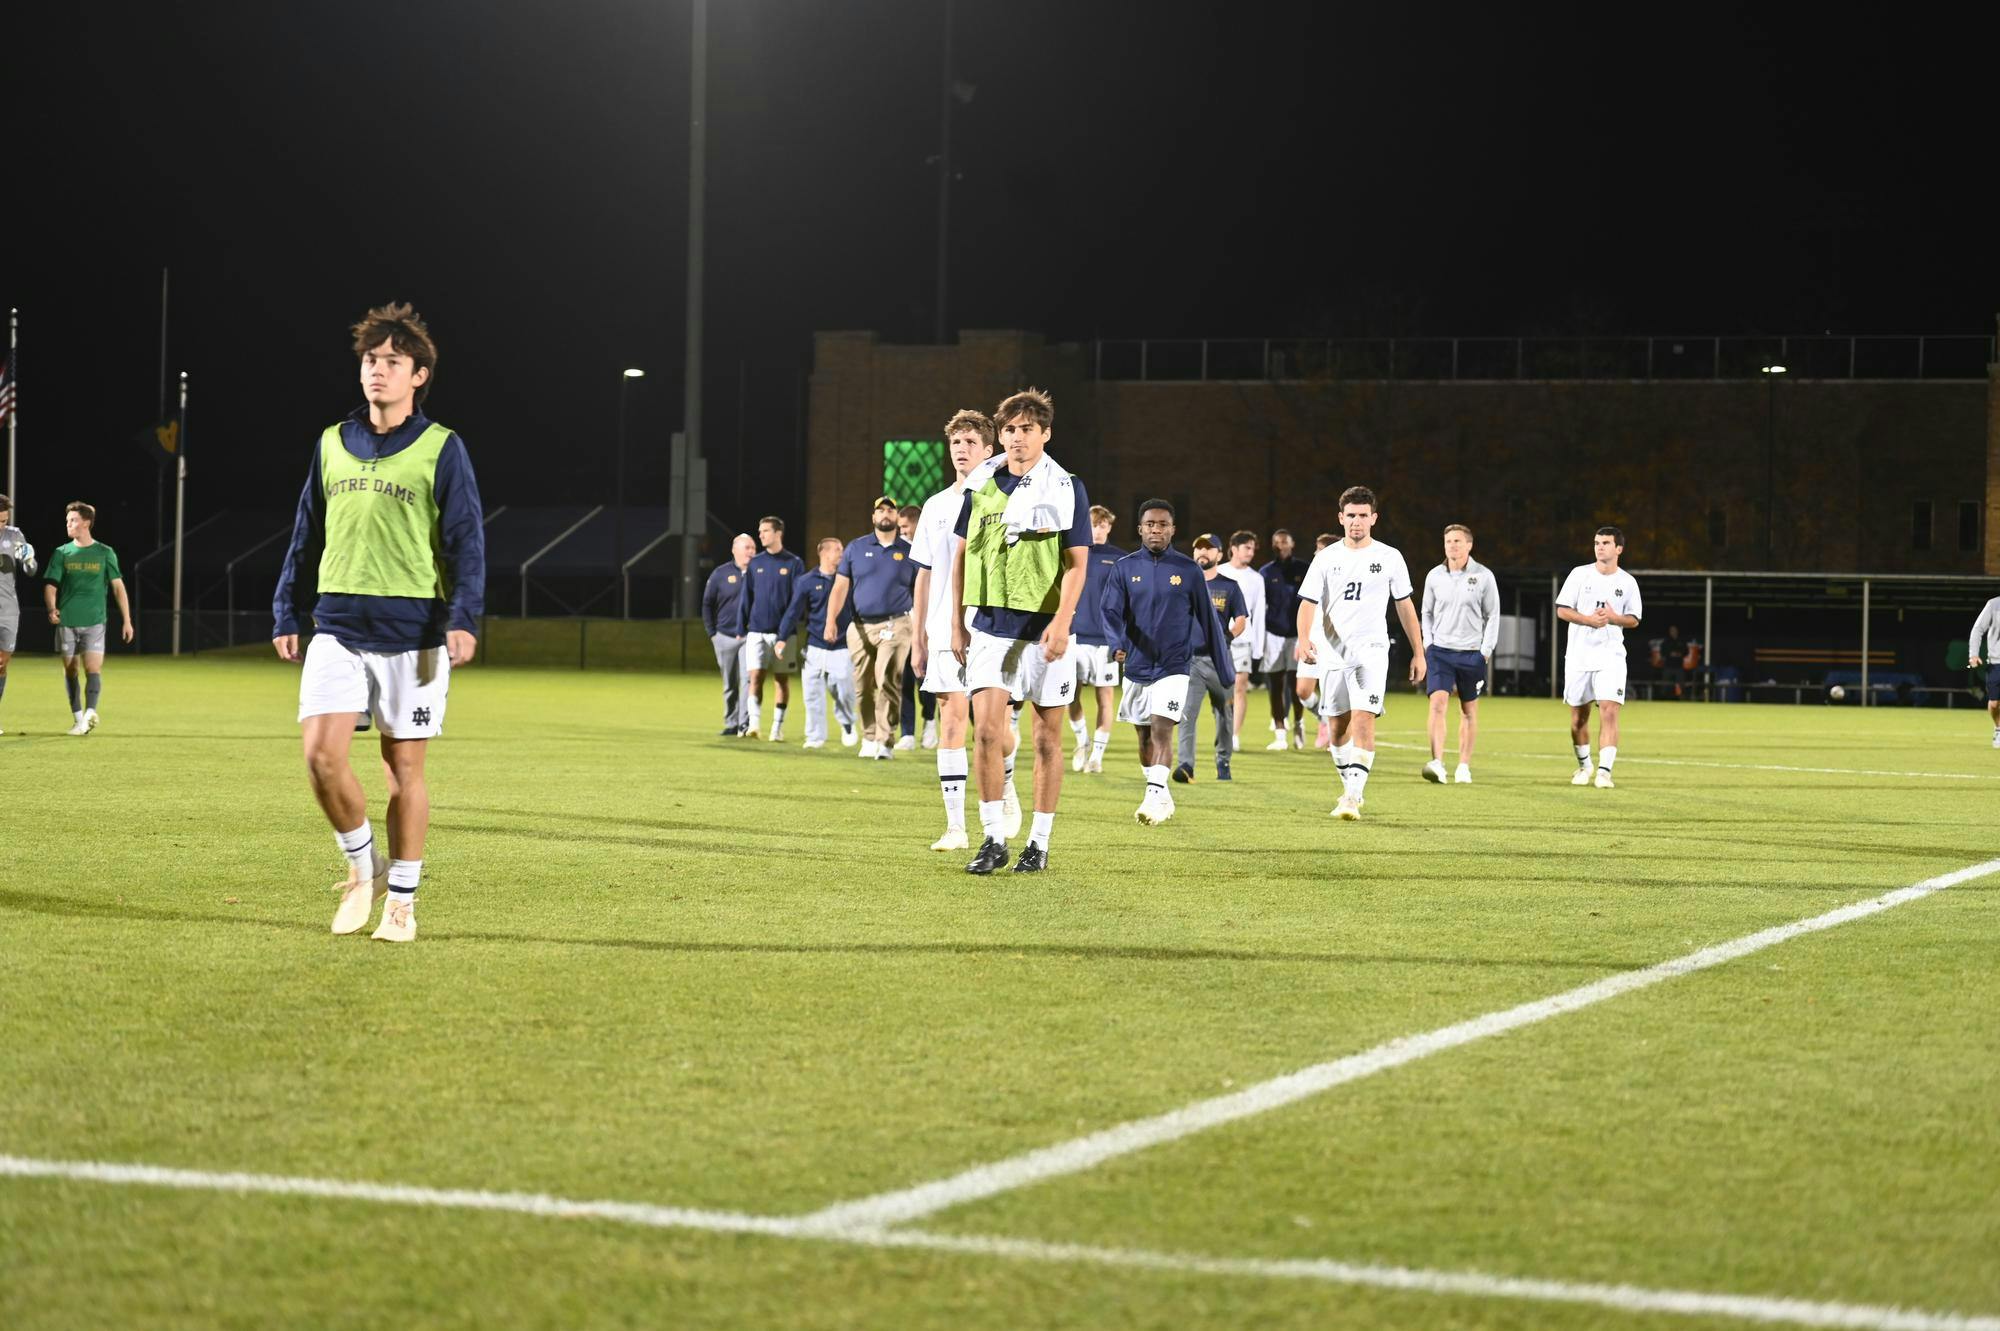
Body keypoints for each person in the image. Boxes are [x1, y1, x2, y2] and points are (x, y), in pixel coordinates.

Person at [272, 301, 485, 943]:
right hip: (337, 624)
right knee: (320, 757)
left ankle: (402, 903)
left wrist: (464, 616)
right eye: (370, 359)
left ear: (419, 375)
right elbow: (305, 532)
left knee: (404, 771)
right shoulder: (331, 443)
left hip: (416, 636)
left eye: (393, 361)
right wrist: (286, 607)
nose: (378, 370)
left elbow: (466, 540)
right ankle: (364, 868)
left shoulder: (442, 447)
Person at [948, 387, 1091, 874]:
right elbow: (962, 555)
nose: (1016, 438)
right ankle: (993, 839)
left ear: (1045, 434)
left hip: (1045, 631)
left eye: (1027, 429)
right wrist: (956, 623)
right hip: (990, 626)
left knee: (1047, 739)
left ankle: (1039, 843)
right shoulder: (981, 483)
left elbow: (1077, 564)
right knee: (987, 732)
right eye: (1009, 429)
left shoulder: (1066, 485)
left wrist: (1062, 622)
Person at [1100, 501, 1235, 825]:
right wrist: (1117, 644)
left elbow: (1209, 620)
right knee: (1144, 737)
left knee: (1162, 729)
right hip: (1136, 666)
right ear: (1140, 529)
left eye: (1163, 524)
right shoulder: (1124, 568)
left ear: (1173, 530)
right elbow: (1110, 612)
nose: (1156, 529)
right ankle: (1162, 795)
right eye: (1150, 524)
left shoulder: (1188, 570)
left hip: (1174, 665)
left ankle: (1152, 795)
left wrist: (1225, 669)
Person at [1296, 487, 1425, 820]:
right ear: (1341, 518)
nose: (1357, 521)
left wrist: (1419, 651)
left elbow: (1405, 606)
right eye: (1351, 515)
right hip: (1332, 654)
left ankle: (1352, 797)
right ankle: (1348, 787)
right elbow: (1308, 603)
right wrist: (1303, 639)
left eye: (1363, 515)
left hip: (1371, 651)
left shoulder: (1390, 557)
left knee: (1364, 720)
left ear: (1374, 518)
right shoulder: (1326, 558)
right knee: (1338, 729)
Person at [910, 410, 1000, 849]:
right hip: (945, 630)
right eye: (956, 443)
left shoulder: (1003, 499)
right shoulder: (935, 505)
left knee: (994, 729)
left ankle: (1005, 791)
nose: (961, 450)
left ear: (989, 450)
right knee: (951, 722)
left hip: (993, 628)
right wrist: (919, 637)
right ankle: (956, 827)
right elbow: (925, 575)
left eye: (970, 443)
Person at [824, 497, 916, 759]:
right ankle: (869, 735)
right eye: (880, 510)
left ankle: (885, 740)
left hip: (897, 623)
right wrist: (831, 620)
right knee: (863, 686)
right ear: (873, 517)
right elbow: (840, 586)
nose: (885, 514)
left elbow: (920, 591)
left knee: (887, 679)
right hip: (860, 626)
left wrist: (922, 628)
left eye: (890, 510)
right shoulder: (856, 548)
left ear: (897, 517)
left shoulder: (909, 551)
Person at [1556, 525, 1643, 789]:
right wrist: (1588, 620)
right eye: (1596, 543)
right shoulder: (1579, 574)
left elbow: (1634, 619)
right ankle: (1585, 766)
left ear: (1619, 549)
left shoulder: (1627, 582)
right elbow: (1562, 610)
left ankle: (1604, 772)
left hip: (1611, 656)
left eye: (1605, 543)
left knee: (1609, 711)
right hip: (1579, 656)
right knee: (1578, 719)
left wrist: (1614, 618)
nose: (1599, 547)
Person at [42, 501, 134, 736]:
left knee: (93, 667)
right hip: (67, 622)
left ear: (86, 523)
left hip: (95, 621)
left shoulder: (105, 552)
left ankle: (90, 713)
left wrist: (127, 620)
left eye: (72, 520)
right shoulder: (62, 553)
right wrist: (52, 608)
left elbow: (118, 588)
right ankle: (78, 719)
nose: (68, 524)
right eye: (67, 521)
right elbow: (51, 585)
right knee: (70, 670)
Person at [1419, 523, 1500, 784]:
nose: (1452, 545)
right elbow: (1426, 612)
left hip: (1471, 653)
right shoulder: (1434, 576)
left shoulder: (1484, 576)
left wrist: (1485, 651)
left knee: (1468, 710)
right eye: (1448, 541)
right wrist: (1428, 644)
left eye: (1457, 541)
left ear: (1469, 545)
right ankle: (1437, 763)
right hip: (1440, 652)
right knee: (1437, 703)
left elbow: (1493, 615)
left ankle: (1464, 766)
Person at [1176, 534, 1247, 782]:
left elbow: (1241, 619)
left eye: (1209, 548)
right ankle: (1186, 765)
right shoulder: (1184, 584)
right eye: (1199, 548)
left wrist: (1227, 637)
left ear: (1219, 554)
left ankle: (1223, 761)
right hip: (1191, 661)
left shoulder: (1230, 586)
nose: (1203, 552)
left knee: (1224, 714)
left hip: (1220, 660)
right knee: (1186, 714)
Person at [775, 537, 858, 750]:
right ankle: (815, 736)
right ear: (824, 553)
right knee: (812, 694)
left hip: (842, 646)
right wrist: (782, 638)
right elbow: (793, 611)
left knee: (844, 691)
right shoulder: (806, 581)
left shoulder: (848, 579)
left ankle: (847, 723)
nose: (842, 554)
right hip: (815, 646)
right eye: (838, 550)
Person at [736, 515, 805, 741]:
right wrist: (741, 626)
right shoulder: (756, 563)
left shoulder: (794, 563)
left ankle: (777, 728)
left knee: (781, 679)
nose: (761, 535)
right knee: (754, 677)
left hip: (784, 635)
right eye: (760, 531)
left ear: (778, 533)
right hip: (756, 631)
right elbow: (746, 596)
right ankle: (754, 725)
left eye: (765, 531)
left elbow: (796, 602)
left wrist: (784, 633)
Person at [1067, 504, 1124, 775]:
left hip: (1106, 641)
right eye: (1093, 524)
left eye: (1103, 525)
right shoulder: (1073, 553)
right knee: (1070, 695)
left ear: (1109, 527)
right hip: (1075, 638)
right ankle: (1082, 742)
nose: (1098, 530)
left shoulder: (1120, 559)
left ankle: (1097, 757)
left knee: (1105, 698)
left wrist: (1122, 638)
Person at [1259, 528, 1310, 750]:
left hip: (1298, 634)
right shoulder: (1266, 572)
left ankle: (1298, 722)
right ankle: (1280, 732)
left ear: (1292, 544)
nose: (1281, 546)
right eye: (1277, 542)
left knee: (1296, 684)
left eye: (1284, 542)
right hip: (1273, 634)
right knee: (1275, 684)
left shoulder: (1304, 569)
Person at [701, 535, 755, 736]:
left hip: (750, 637)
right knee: (729, 683)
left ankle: (744, 724)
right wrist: (712, 634)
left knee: (747, 681)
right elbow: (707, 604)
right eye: (747, 547)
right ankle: (731, 723)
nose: (751, 551)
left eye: (753, 547)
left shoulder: (759, 573)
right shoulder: (720, 573)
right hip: (724, 637)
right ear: (735, 550)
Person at [1217, 530, 1265, 750]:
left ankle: (1234, 735)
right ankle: (1222, 730)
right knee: (1220, 689)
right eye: (1247, 547)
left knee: (1240, 686)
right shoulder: (1219, 572)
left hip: (1243, 640)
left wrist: (1258, 648)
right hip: (1218, 641)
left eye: (1253, 548)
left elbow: (1258, 614)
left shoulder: (1256, 579)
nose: (1251, 552)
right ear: (1234, 549)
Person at [895, 502, 934, 751]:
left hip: (927, 623)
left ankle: (930, 723)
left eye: (905, 527)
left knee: (926, 678)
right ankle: (907, 732)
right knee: (904, 679)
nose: (901, 532)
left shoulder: (928, 550)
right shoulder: (898, 553)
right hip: (904, 623)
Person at [0, 495, 38, 736]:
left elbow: (31, 571)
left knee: (2, 664)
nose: (1, 525)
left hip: (8, 610)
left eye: (4, 521)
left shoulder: (14, 536)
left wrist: (29, 559)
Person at [1966, 593, 2000, 747]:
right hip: (1997, 661)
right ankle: (1998, 728)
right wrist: (1973, 655)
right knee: (1994, 703)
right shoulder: (1994, 604)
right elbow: (1978, 629)